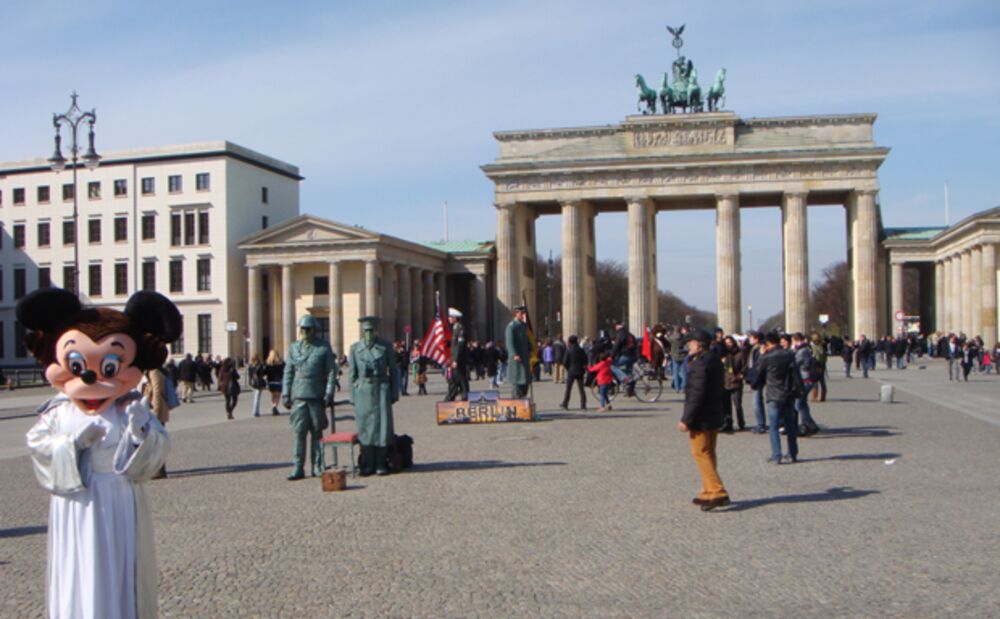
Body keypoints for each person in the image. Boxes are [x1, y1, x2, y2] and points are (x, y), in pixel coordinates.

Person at [22, 288, 178, 619]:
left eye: (109, 365)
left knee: (118, 563)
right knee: (76, 564)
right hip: (74, 499)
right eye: (77, 365)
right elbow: (37, 444)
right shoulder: (58, 412)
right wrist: (71, 446)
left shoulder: (128, 409)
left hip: (118, 498)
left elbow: (157, 452)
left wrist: (140, 434)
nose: (90, 376)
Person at [677, 328, 730, 511]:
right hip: (714, 412)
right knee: (709, 452)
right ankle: (707, 491)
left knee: (700, 452)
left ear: (699, 345)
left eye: (691, 343)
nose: (688, 346)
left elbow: (696, 394)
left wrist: (686, 419)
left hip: (701, 416)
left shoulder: (699, 364)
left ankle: (717, 490)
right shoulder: (715, 360)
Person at [281, 315, 337, 480]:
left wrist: (329, 393)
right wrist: (285, 393)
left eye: (308, 329)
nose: (305, 332)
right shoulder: (293, 348)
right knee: (299, 433)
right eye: (303, 329)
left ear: (314, 330)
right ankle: (298, 467)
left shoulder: (323, 347)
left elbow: (332, 372)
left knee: (317, 432)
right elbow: (288, 372)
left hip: (316, 394)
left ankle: (317, 465)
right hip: (298, 395)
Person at [348, 316, 401, 476]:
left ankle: (380, 462)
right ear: (362, 331)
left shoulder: (385, 347)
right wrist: (353, 396)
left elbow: (394, 370)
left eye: (371, 330)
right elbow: (352, 375)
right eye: (366, 330)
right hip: (363, 391)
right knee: (365, 428)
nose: (369, 333)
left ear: (376, 330)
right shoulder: (355, 349)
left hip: (381, 389)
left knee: (382, 428)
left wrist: (394, 392)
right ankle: (368, 462)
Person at [751, 332, 801, 464]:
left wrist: (761, 355)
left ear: (767, 344)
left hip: (774, 394)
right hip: (789, 393)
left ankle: (777, 455)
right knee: (790, 424)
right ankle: (792, 453)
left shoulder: (766, 357)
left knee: (773, 426)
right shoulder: (790, 354)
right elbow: (796, 373)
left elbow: (758, 374)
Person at [141, 363, 171, 479]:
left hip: (155, 412)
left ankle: (159, 469)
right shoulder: (151, 371)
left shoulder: (154, 372)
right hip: (151, 410)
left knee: (156, 441)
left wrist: (155, 412)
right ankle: (157, 468)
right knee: (153, 441)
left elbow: (157, 392)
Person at [792, 333, 820, 436]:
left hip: (805, 379)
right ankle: (809, 425)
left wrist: (792, 351)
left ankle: (808, 424)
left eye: (793, 341)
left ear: (796, 340)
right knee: (802, 403)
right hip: (806, 379)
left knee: (798, 403)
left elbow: (795, 361)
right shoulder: (805, 349)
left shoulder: (803, 350)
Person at [505, 305, 532, 398]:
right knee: (517, 382)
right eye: (521, 313)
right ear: (516, 314)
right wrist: (514, 354)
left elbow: (526, 339)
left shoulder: (523, 325)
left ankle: (523, 402)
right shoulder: (511, 327)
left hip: (524, 357)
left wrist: (531, 348)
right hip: (517, 359)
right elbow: (509, 342)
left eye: (524, 313)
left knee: (525, 382)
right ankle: (515, 403)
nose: (523, 315)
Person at [720, 335, 746, 433]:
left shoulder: (740, 354)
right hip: (725, 382)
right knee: (726, 405)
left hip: (736, 382)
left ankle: (741, 423)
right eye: (726, 343)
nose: (728, 345)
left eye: (730, 342)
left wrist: (740, 375)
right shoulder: (722, 355)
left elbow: (744, 366)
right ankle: (728, 423)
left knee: (737, 404)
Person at [743, 331, 767, 433]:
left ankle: (761, 425)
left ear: (756, 338)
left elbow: (758, 366)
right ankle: (761, 423)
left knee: (756, 403)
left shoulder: (759, 350)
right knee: (757, 402)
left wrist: (754, 380)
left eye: (751, 338)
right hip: (755, 378)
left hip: (758, 379)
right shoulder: (754, 349)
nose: (749, 339)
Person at [445, 308, 470, 401]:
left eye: (451, 317)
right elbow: (454, 344)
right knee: (455, 380)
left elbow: (460, 346)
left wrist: (455, 359)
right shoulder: (455, 328)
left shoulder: (460, 329)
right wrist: (447, 342)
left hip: (458, 360)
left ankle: (463, 397)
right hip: (455, 359)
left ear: (455, 318)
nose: (449, 318)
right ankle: (450, 399)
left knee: (459, 380)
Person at [559, 335, 588, 410]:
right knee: (581, 389)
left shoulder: (568, 350)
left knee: (568, 389)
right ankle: (583, 404)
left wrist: (568, 368)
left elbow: (565, 362)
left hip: (571, 371)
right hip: (580, 371)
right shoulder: (581, 350)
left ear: (570, 342)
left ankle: (565, 403)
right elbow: (585, 360)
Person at [265, 349, 286, 415]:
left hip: (270, 381)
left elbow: (266, 372)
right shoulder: (281, 363)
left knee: (273, 395)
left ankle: (273, 405)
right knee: (277, 395)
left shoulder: (268, 363)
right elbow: (285, 371)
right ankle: (275, 406)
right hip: (278, 381)